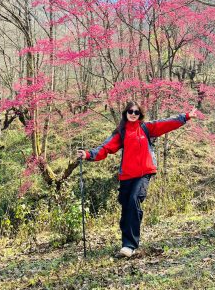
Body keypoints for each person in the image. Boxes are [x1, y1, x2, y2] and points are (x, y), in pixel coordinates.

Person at [77, 101, 197, 258]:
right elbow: (106, 148)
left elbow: (166, 124)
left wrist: (186, 117)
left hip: (144, 173)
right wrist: (88, 154)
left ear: (140, 115)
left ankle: (130, 245)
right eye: (130, 112)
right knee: (127, 208)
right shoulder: (121, 132)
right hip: (127, 176)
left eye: (136, 112)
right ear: (125, 113)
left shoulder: (146, 128)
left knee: (134, 200)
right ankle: (126, 241)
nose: (133, 114)